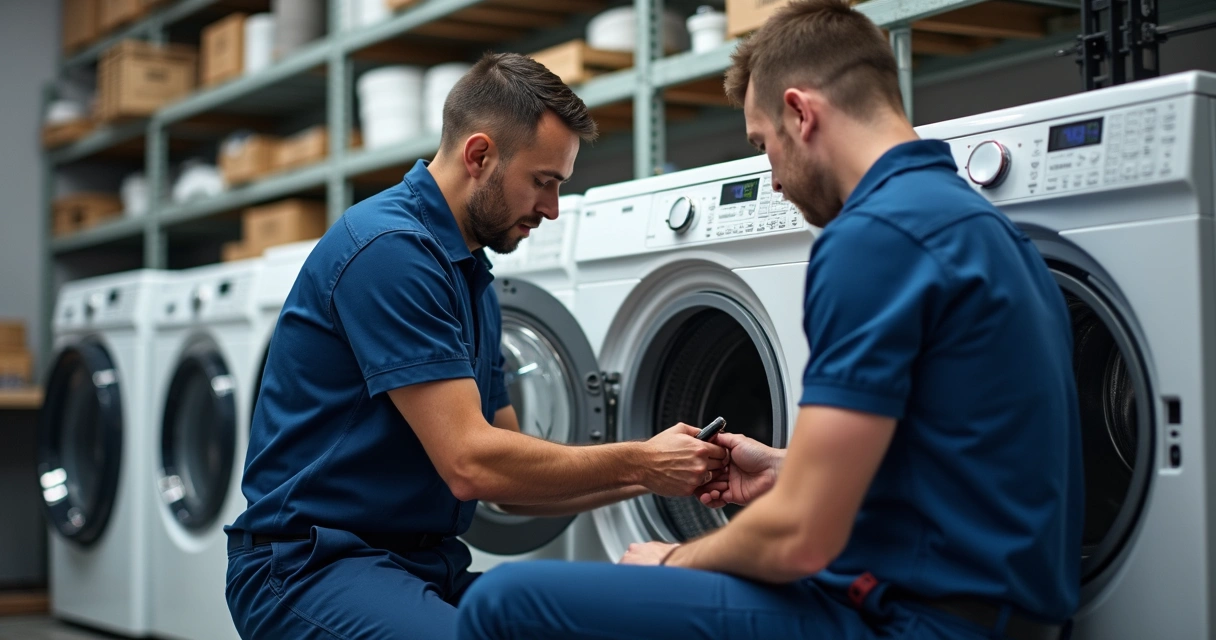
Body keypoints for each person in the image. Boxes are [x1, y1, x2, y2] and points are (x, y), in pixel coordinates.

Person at [454, 2, 1083, 639]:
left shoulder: (875, 237)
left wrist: (673, 560)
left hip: (914, 622)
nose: (772, 178)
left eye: (763, 145)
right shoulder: (981, 228)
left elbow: (801, 537)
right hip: (996, 613)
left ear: (801, 114)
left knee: (504, 601)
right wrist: (791, 468)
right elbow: (952, 455)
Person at [224, 52, 727, 640]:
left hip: (422, 565)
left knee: (597, 621)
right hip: (310, 567)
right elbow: (472, 465)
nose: (552, 209)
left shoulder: (470, 275)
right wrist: (642, 459)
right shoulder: (389, 251)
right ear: (480, 155)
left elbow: (510, 482)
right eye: (543, 182)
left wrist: (667, 473)